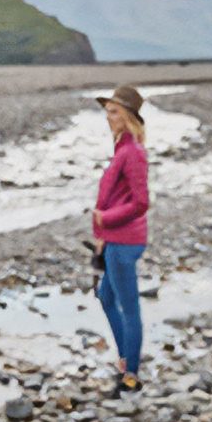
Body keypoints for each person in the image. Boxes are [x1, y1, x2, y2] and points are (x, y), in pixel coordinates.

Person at [92, 85, 150, 396]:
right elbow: (114, 196)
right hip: (113, 240)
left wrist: (106, 221)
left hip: (125, 242)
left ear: (127, 116)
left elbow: (141, 203)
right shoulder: (123, 149)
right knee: (106, 298)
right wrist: (100, 236)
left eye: (114, 111)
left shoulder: (133, 153)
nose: (108, 117)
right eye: (107, 111)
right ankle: (126, 359)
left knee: (129, 308)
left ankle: (131, 376)